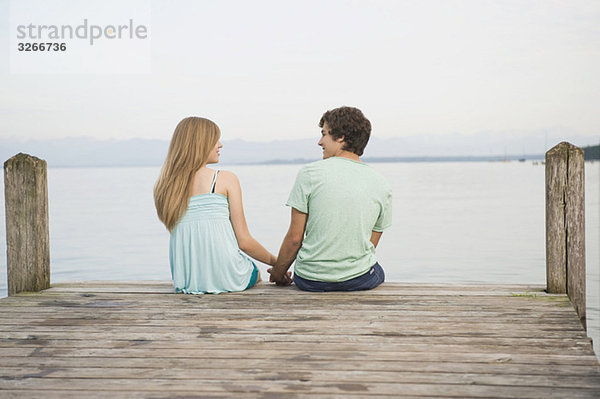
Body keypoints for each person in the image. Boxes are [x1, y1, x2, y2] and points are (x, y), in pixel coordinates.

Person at [268, 106, 392, 291]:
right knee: (375, 268)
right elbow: (372, 240)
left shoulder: (310, 173)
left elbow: (295, 239)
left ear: (341, 137)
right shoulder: (381, 183)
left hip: (311, 280)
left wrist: (279, 273)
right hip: (358, 279)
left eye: (324, 134)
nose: (320, 142)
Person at [154, 117, 276, 294]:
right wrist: (278, 264)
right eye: (215, 139)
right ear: (200, 144)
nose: (220, 145)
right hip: (228, 276)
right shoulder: (225, 179)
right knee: (254, 271)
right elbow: (245, 242)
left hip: (189, 282)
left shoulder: (165, 187)